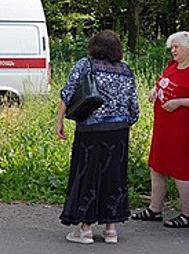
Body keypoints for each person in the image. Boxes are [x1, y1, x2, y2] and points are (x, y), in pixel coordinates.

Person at [56, 30, 140, 244]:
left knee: (87, 175)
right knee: (114, 176)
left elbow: (68, 93)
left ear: (94, 46)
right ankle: (111, 229)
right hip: (118, 130)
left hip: (91, 131)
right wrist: (125, 125)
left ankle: (85, 229)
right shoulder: (125, 70)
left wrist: (60, 122)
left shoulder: (86, 64)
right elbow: (134, 107)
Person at [131, 31, 189, 228]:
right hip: (164, 129)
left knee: (181, 171)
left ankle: (187, 215)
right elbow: (164, 82)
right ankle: (155, 209)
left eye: (176, 47)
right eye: (172, 47)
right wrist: (155, 90)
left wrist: (179, 102)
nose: (173, 50)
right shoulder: (173, 65)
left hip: (183, 131)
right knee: (157, 167)